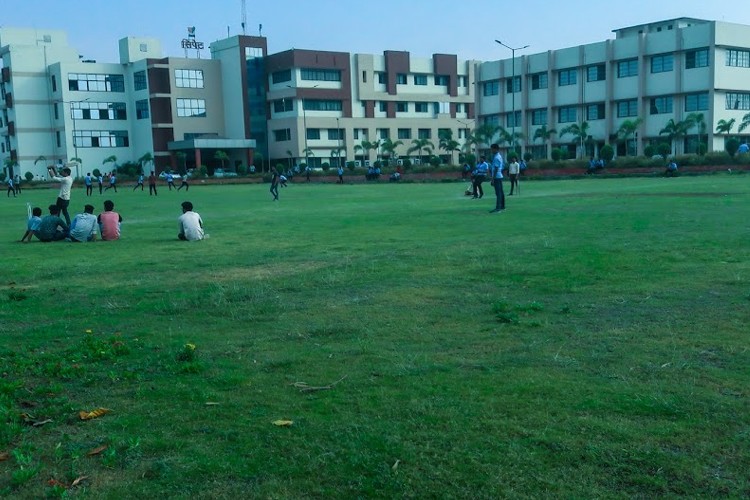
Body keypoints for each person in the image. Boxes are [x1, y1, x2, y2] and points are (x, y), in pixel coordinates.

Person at [489, 143, 505, 213]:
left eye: (492, 149)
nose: (491, 150)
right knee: (500, 192)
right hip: (499, 176)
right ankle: (502, 206)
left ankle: (498, 208)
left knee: (498, 193)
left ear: (495, 149)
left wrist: (492, 179)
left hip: (497, 177)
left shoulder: (497, 157)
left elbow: (496, 168)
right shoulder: (498, 156)